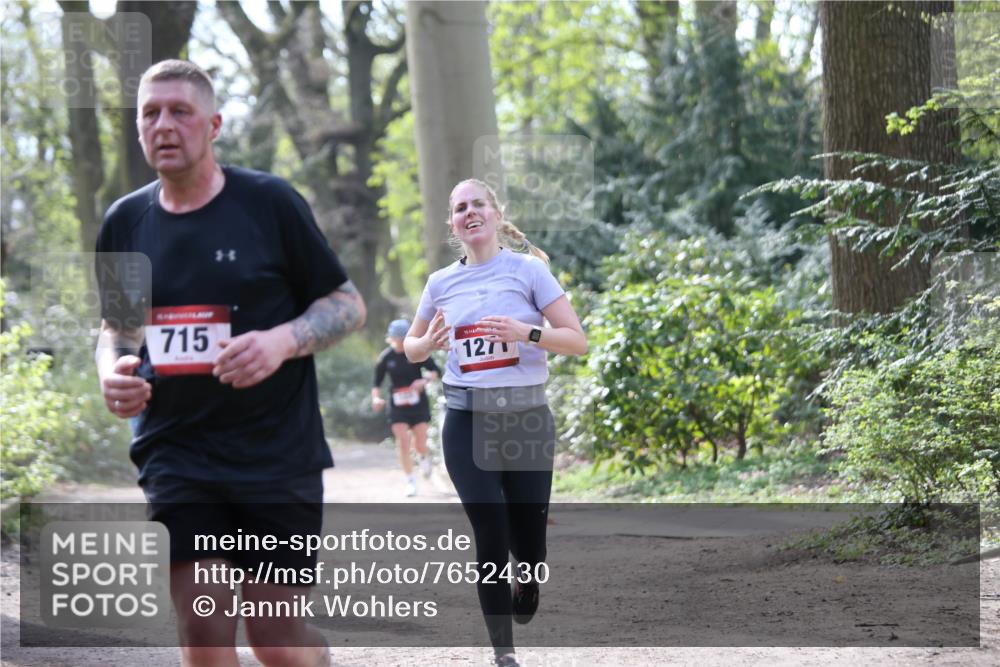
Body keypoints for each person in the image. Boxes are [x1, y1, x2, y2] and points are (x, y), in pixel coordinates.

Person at [94, 59, 365, 667]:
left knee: (276, 640)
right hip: (177, 451)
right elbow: (118, 327)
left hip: (276, 453)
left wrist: (283, 340)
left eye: (180, 112)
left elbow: (347, 304)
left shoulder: (270, 203)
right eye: (150, 113)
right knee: (204, 626)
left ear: (213, 124)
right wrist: (112, 371)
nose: (163, 125)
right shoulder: (124, 221)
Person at [403, 179, 587, 667]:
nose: (469, 212)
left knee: (529, 538)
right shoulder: (441, 282)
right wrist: (427, 346)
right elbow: (411, 346)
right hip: (466, 419)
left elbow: (576, 339)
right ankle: (503, 653)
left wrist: (526, 331)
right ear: (452, 223)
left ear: (495, 213)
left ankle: (528, 577)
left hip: (526, 418)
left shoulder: (527, 271)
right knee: (489, 524)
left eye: (477, 203)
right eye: (459, 207)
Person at [372, 318, 440, 496]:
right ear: (391, 338)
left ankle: (424, 458)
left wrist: (423, 380)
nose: (400, 342)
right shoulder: (386, 358)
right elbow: (376, 383)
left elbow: (435, 371)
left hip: (418, 404)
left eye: (403, 338)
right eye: (397, 338)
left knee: (419, 443)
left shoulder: (416, 353)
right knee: (403, 442)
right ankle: (410, 481)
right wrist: (376, 399)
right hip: (398, 406)